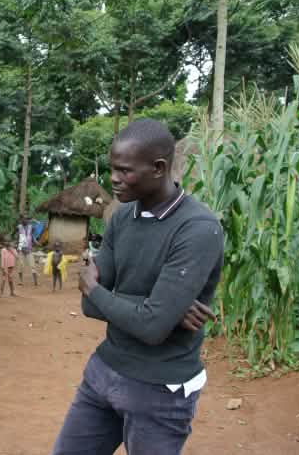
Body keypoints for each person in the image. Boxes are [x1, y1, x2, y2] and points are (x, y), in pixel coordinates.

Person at [52, 119, 224, 455]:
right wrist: (164, 308)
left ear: (159, 168)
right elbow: (89, 306)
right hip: (103, 373)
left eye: (125, 170)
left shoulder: (198, 229)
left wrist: (151, 312)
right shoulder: (121, 217)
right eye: (113, 168)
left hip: (160, 392)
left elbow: (150, 327)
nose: (114, 178)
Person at [15, 216, 38, 286]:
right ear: (21, 220)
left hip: (29, 249)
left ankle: (35, 281)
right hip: (21, 249)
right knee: (20, 266)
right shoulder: (18, 227)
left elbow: (32, 235)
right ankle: (20, 281)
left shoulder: (31, 227)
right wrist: (16, 243)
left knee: (32, 265)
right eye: (23, 219)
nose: (25, 221)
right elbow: (16, 235)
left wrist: (35, 241)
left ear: (28, 221)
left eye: (26, 219)